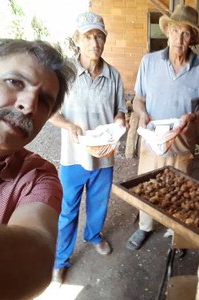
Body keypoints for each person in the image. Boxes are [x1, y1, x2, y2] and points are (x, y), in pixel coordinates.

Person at [0, 39, 75, 299]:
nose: (29, 106)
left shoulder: (37, 177)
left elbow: (38, 256)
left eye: (44, 101)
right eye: (15, 82)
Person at [125, 4, 199, 250]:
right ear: (168, 32)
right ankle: (144, 226)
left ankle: (173, 230)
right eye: (176, 31)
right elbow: (138, 99)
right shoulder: (150, 61)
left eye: (186, 33)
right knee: (147, 184)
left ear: (193, 38)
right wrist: (142, 113)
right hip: (153, 138)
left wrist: (193, 116)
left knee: (178, 186)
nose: (180, 38)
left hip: (183, 140)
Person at [50, 12, 127, 283]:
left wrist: (120, 119)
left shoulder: (113, 75)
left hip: (103, 157)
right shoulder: (64, 74)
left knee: (98, 205)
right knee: (68, 209)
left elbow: (121, 109)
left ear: (105, 40)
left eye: (99, 36)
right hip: (73, 158)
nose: (94, 42)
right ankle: (61, 259)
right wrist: (69, 126)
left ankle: (93, 235)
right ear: (78, 40)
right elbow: (51, 112)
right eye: (88, 36)